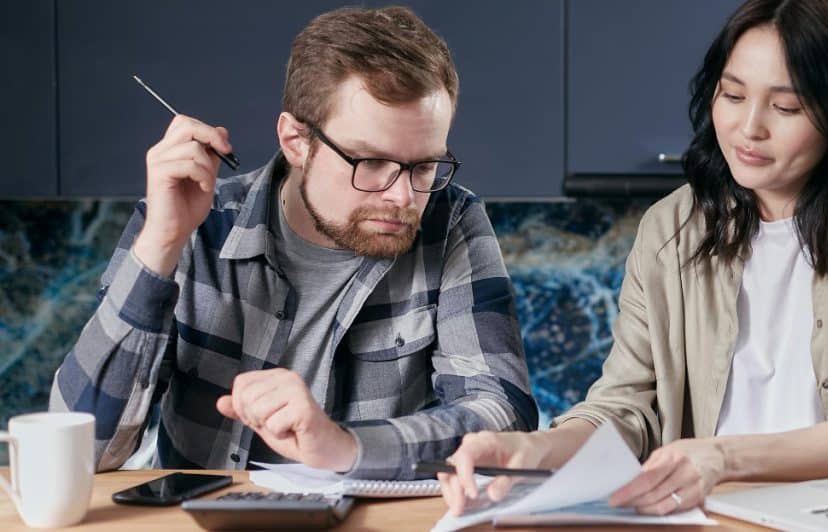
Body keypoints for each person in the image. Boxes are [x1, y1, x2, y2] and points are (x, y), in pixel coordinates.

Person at [440, 0, 828, 515]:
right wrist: (531, 450)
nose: (749, 127)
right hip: (715, 516)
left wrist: (721, 457)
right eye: (732, 95)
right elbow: (627, 406)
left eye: (786, 107)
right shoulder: (670, 230)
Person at [49, 6, 537, 480]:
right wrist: (160, 243)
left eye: (425, 166)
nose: (403, 196)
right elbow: (84, 452)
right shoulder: (181, 223)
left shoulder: (450, 220)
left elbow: (501, 414)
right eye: (369, 162)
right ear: (296, 141)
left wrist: (344, 447)